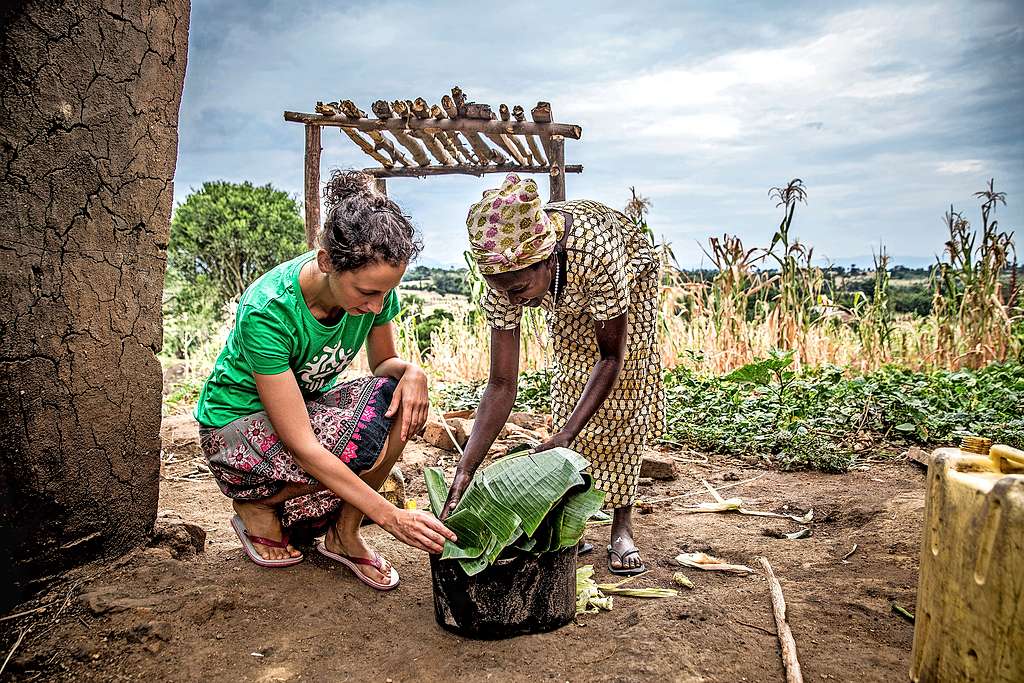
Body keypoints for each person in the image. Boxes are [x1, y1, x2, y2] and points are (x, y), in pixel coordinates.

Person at [194, 170, 455, 590]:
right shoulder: (269, 311)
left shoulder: (377, 293)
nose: (375, 306)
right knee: (361, 441)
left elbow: (384, 362)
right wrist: (391, 517)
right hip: (235, 431)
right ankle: (255, 502)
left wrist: (413, 372)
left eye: (384, 294)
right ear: (328, 262)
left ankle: (343, 535)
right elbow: (302, 443)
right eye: (366, 293)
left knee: (396, 399)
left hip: (300, 415)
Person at [440, 173, 663, 576]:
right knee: (571, 379)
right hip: (562, 288)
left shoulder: (595, 255)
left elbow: (610, 358)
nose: (511, 300)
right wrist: (466, 468)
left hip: (628, 275)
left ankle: (622, 525)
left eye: (519, 288)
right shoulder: (508, 281)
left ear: (547, 258)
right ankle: (570, 523)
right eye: (501, 290)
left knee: (623, 392)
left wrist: (564, 437)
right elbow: (501, 383)